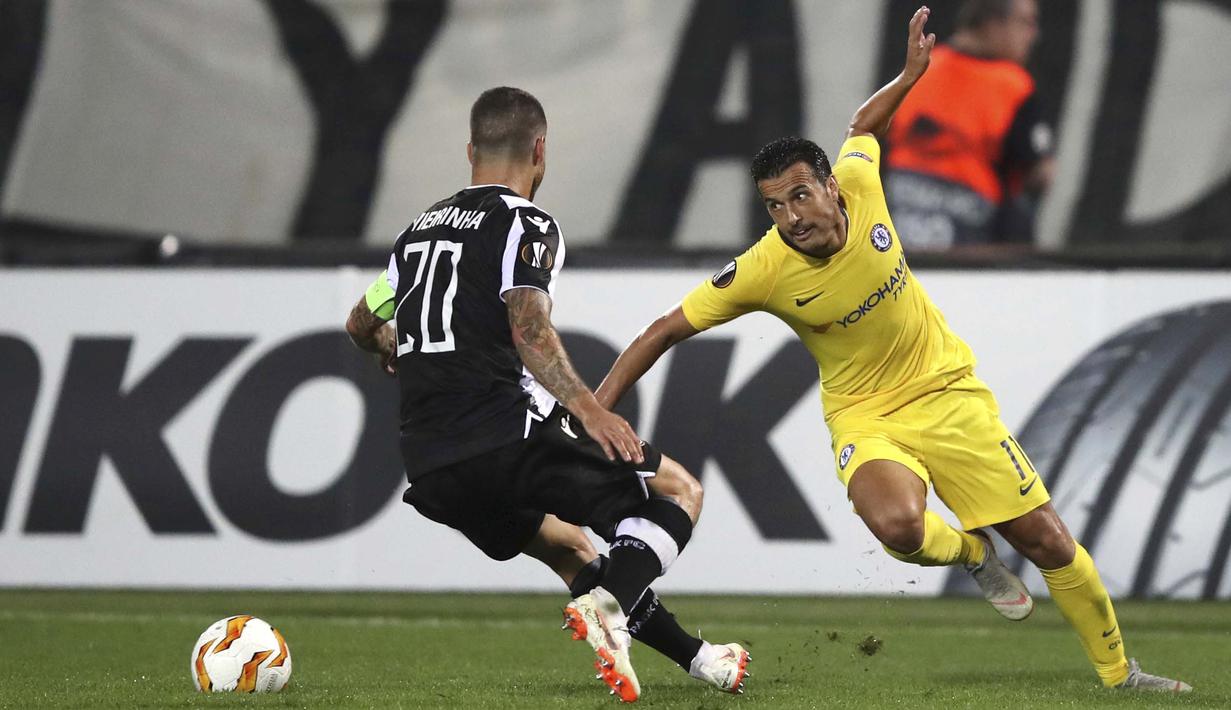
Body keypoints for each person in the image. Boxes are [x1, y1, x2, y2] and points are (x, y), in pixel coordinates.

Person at [595, 7, 1190, 694]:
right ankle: (971, 553)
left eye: (799, 195)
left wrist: (908, 77)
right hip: (865, 415)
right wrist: (593, 410)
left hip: (947, 392)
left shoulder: (862, 181)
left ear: (829, 186)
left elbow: (862, 126)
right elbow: (662, 330)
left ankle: (1121, 676)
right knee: (901, 528)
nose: (791, 217)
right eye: (774, 206)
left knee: (1049, 541)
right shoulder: (763, 269)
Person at [345, 86, 749, 703]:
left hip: (430, 463)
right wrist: (590, 411)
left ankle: (699, 660)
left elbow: (360, 323)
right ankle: (611, 607)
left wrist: (391, 343)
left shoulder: (415, 235)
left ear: (470, 151)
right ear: (540, 150)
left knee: (569, 548)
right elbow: (530, 328)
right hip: (504, 432)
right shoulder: (525, 222)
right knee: (678, 492)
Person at [883, 0, 1055, 249]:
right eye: (1025, 23)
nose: (1033, 35)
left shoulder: (919, 69)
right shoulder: (1013, 86)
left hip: (897, 241)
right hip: (977, 251)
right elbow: (1040, 173)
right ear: (993, 24)